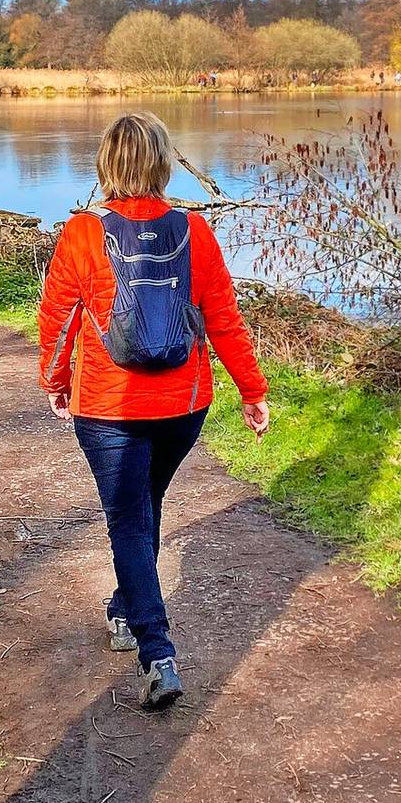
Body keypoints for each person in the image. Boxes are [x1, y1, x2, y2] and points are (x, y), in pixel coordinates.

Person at [37, 112, 270, 710]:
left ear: (106, 164)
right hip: (183, 404)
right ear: (163, 163)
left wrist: (55, 381)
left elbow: (59, 323)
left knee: (130, 518)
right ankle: (124, 609)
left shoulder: (83, 233)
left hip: (109, 406)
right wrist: (251, 389)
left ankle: (156, 650)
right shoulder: (195, 231)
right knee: (144, 510)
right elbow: (222, 317)